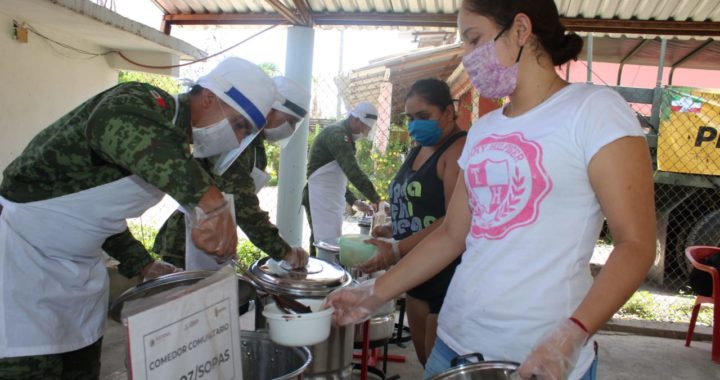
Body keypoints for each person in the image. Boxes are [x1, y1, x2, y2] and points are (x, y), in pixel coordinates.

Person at [325, 1, 656, 379]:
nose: (466, 57)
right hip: (454, 343)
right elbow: (452, 234)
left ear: (520, 30)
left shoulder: (593, 110)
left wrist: (573, 333)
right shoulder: (484, 128)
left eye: (474, 39)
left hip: (540, 357)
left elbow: (636, 244)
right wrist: (374, 293)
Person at [0, 57, 277, 379]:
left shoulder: (182, 150)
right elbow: (112, 123)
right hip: (20, 267)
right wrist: (212, 205)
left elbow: (95, 215)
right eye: (239, 124)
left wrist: (143, 263)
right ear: (209, 97)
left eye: (246, 132)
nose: (237, 137)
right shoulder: (140, 104)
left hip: (79, 279)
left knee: (81, 369)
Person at [152, 76, 311, 270]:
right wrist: (285, 252)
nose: (291, 129)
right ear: (270, 110)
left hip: (213, 236)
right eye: (291, 121)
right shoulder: (238, 141)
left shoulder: (253, 144)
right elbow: (244, 206)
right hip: (189, 240)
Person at [359, 78, 466, 366]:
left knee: (438, 366)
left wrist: (397, 249)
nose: (415, 125)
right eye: (410, 118)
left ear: (448, 112)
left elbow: (451, 219)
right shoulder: (420, 147)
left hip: (443, 275)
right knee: (425, 362)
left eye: (424, 116)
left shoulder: (457, 151)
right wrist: (395, 228)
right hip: (416, 273)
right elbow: (420, 205)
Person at [302, 102, 382, 255]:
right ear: (356, 119)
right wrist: (376, 199)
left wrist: (354, 201)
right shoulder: (337, 134)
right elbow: (352, 171)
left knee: (326, 241)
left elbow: (334, 178)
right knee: (322, 244)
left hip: (327, 195)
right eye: (365, 128)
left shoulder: (346, 136)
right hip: (317, 195)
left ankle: (323, 270)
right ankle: (319, 274)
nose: (364, 134)